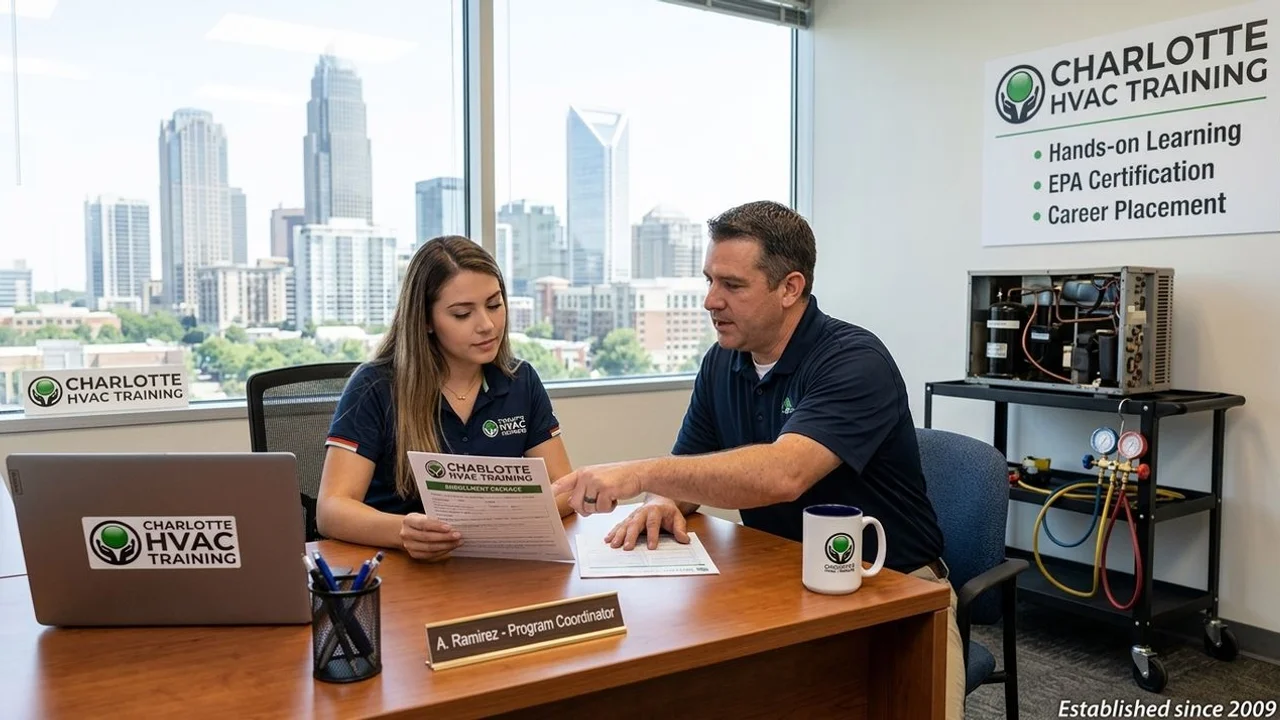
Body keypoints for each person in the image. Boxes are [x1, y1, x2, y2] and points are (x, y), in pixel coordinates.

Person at [550, 200, 966, 720]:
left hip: (894, 592)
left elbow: (782, 474)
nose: (710, 301)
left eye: (733, 286)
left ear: (790, 288)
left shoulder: (855, 361)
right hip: (782, 580)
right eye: (709, 281)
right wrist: (661, 500)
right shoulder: (722, 361)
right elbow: (690, 468)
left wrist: (637, 473)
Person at [317, 235, 574, 562]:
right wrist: (403, 531)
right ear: (425, 320)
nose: (487, 325)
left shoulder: (520, 380)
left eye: (494, 305)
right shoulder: (374, 386)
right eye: (462, 314)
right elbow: (330, 510)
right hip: (399, 570)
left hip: (497, 567)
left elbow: (566, 487)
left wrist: (512, 515)